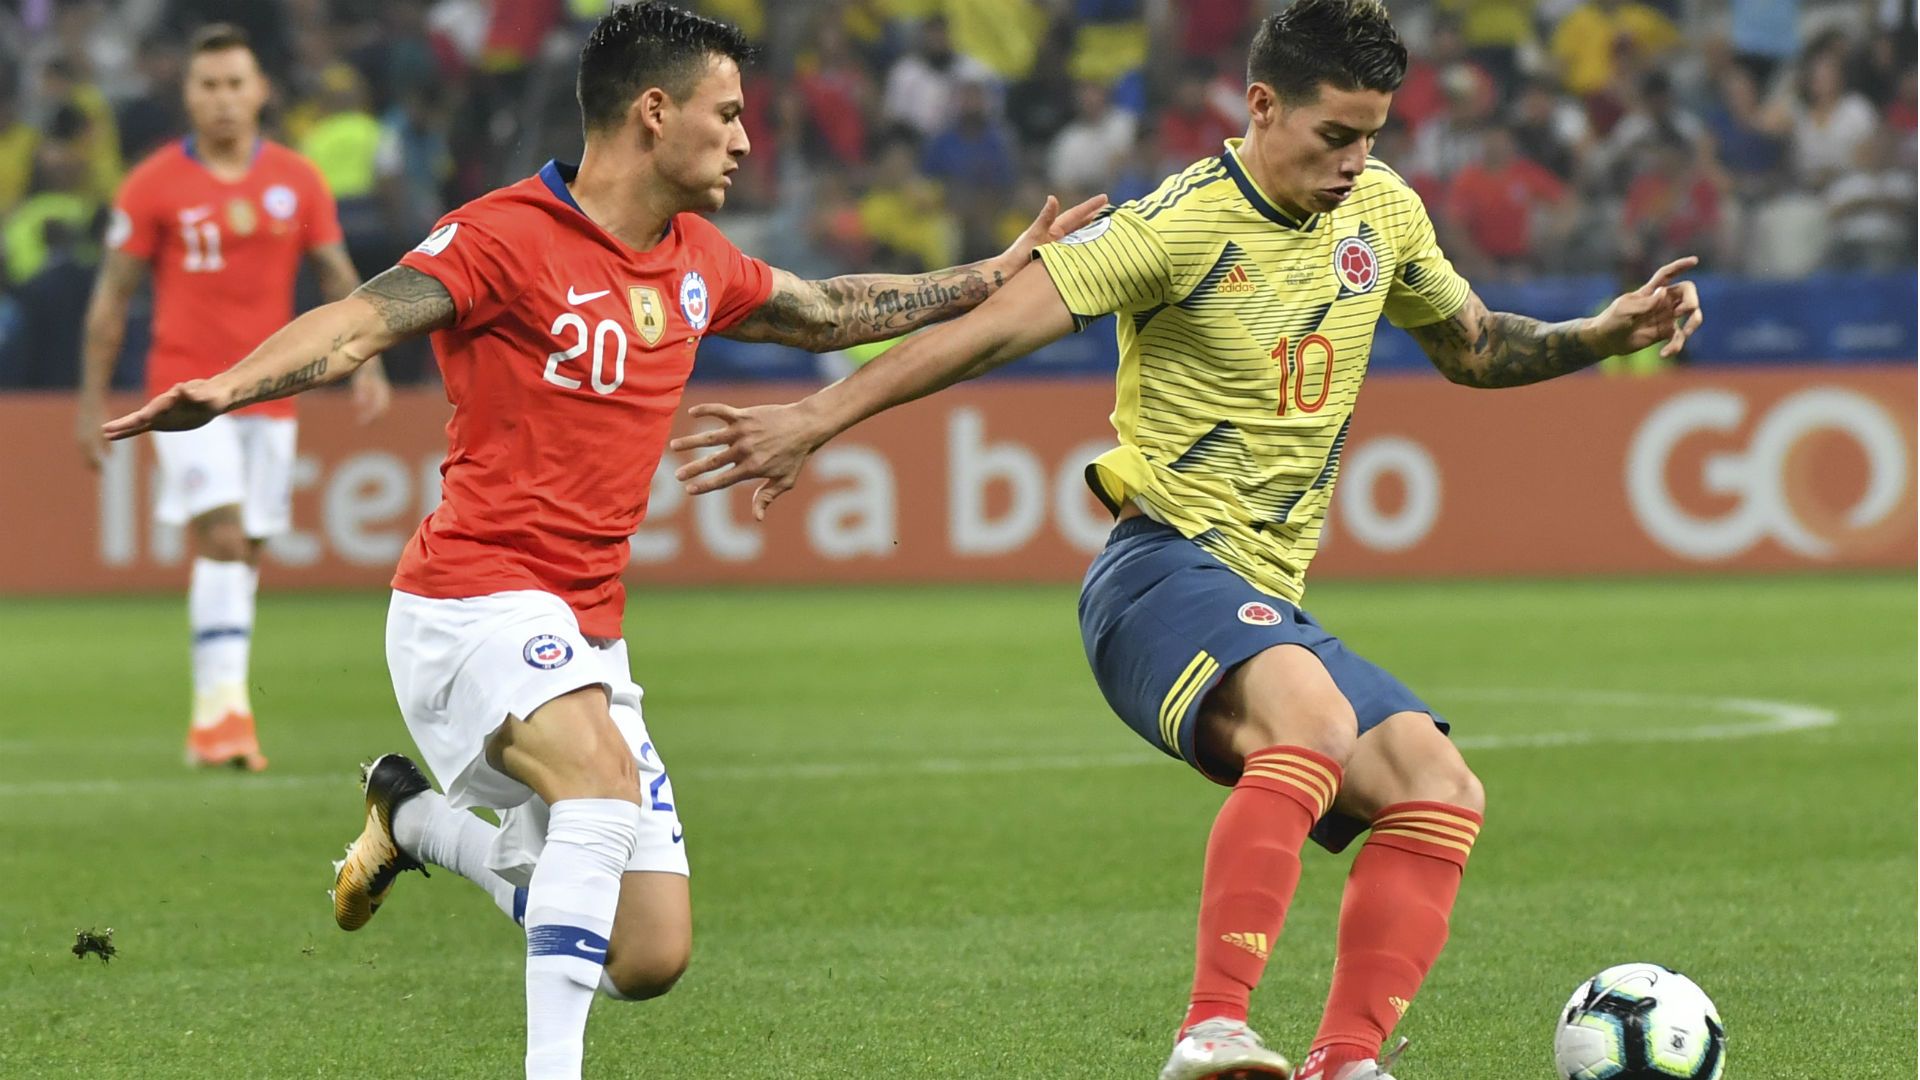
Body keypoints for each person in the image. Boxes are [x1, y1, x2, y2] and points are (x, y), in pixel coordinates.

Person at [667, 2, 1704, 1078]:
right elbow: (985, 332)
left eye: (1373, 136)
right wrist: (814, 419)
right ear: (1261, 106)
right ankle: (1210, 1033)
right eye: (1334, 136)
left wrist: (1601, 334)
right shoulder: (1178, 226)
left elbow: (1476, 345)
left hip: (1268, 597)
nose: (1357, 161)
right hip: (1157, 570)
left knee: (1438, 787)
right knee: (1311, 713)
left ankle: (1344, 1063)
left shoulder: (1383, 216)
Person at [102, 5, 1099, 1077]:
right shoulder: (502, 236)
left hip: (587, 633)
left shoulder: (697, 262)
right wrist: (230, 387)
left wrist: (988, 277)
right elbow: (357, 320)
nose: (746, 139)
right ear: (653, 112)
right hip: (471, 601)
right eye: (726, 114)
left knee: (649, 953)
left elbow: (827, 310)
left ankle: (416, 822)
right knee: (600, 784)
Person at [76, 23, 392, 772]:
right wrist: (89, 401)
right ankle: (223, 716)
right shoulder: (153, 184)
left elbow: (336, 277)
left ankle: (214, 718)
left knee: (246, 549)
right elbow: (111, 299)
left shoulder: (297, 178)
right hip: (184, 391)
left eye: (233, 84)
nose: (221, 99)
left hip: (269, 393)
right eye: (207, 86)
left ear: (260, 92)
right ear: (188, 95)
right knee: (220, 539)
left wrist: (370, 361)